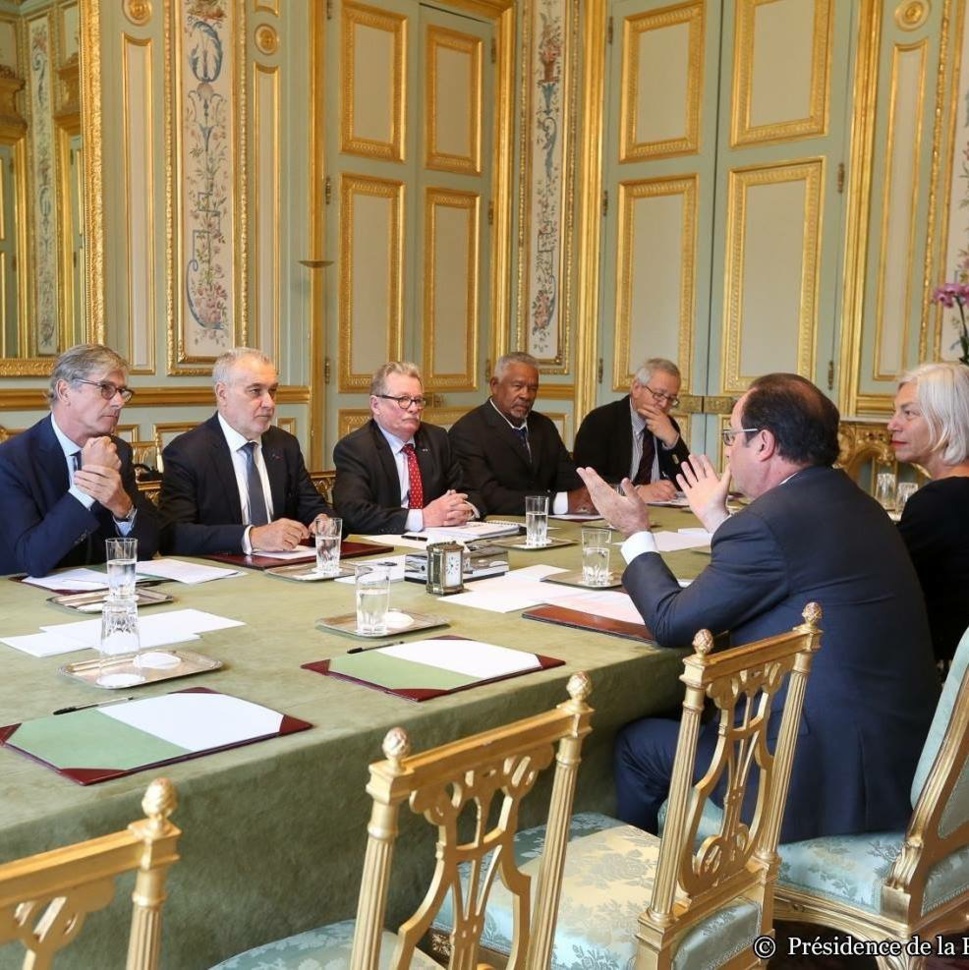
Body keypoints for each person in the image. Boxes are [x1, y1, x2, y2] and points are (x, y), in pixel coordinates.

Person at [578, 372, 939, 843]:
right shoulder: (854, 501)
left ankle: (651, 898)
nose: (727, 450)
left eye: (732, 437)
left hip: (811, 778)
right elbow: (782, 565)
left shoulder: (771, 522)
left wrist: (636, 532)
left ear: (763, 444)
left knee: (636, 743)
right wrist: (716, 518)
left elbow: (671, 621)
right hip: (893, 764)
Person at [0, 343, 160, 576]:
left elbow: (148, 547)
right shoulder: (12, 461)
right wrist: (87, 487)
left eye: (121, 391)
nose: (119, 402)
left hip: (104, 595)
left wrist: (122, 507)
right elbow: (31, 560)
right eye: (106, 388)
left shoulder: (118, 451)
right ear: (65, 392)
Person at [159, 348, 332, 555]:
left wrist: (321, 521)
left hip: (285, 570)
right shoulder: (188, 452)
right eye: (255, 391)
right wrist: (251, 537)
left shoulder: (285, 445)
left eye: (273, 391)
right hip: (223, 576)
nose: (269, 403)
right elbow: (174, 535)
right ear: (222, 394)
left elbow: (312, 506)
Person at [332, 362, 481, 534]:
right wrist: (422, 518)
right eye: (403, 399)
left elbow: (470, 491)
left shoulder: (437, 439)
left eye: (418, 400)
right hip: (385, 547)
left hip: (441, 540)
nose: (413, 408)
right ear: (375, 405)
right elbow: (354, 513)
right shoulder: (355, 448)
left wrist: (463, 510)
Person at [888, 361, 969, 663]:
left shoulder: (939, 501)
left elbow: (888, 590)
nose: (892, 424)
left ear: (947, 422)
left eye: (908, 413)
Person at [448, 351, 594, 515]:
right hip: (497, 529)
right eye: (517, 386)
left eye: (533, 389)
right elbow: (487, 497)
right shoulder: (467, 432)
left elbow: (567, 479)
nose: (526, 395)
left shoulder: (544, 426)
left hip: (549, 528)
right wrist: (560, 502)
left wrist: (594, 493)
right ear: (495, 386)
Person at [572, 357, 691, 502]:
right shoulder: (601, 421)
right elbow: (587, 480)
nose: (664, 404)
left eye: (671, 399)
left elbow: (687, 483)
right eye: (659, 395)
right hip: (615, 512)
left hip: (661, 511)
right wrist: (636, 491)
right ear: (636, 388)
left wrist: (672, 440)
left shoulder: (668, 425)